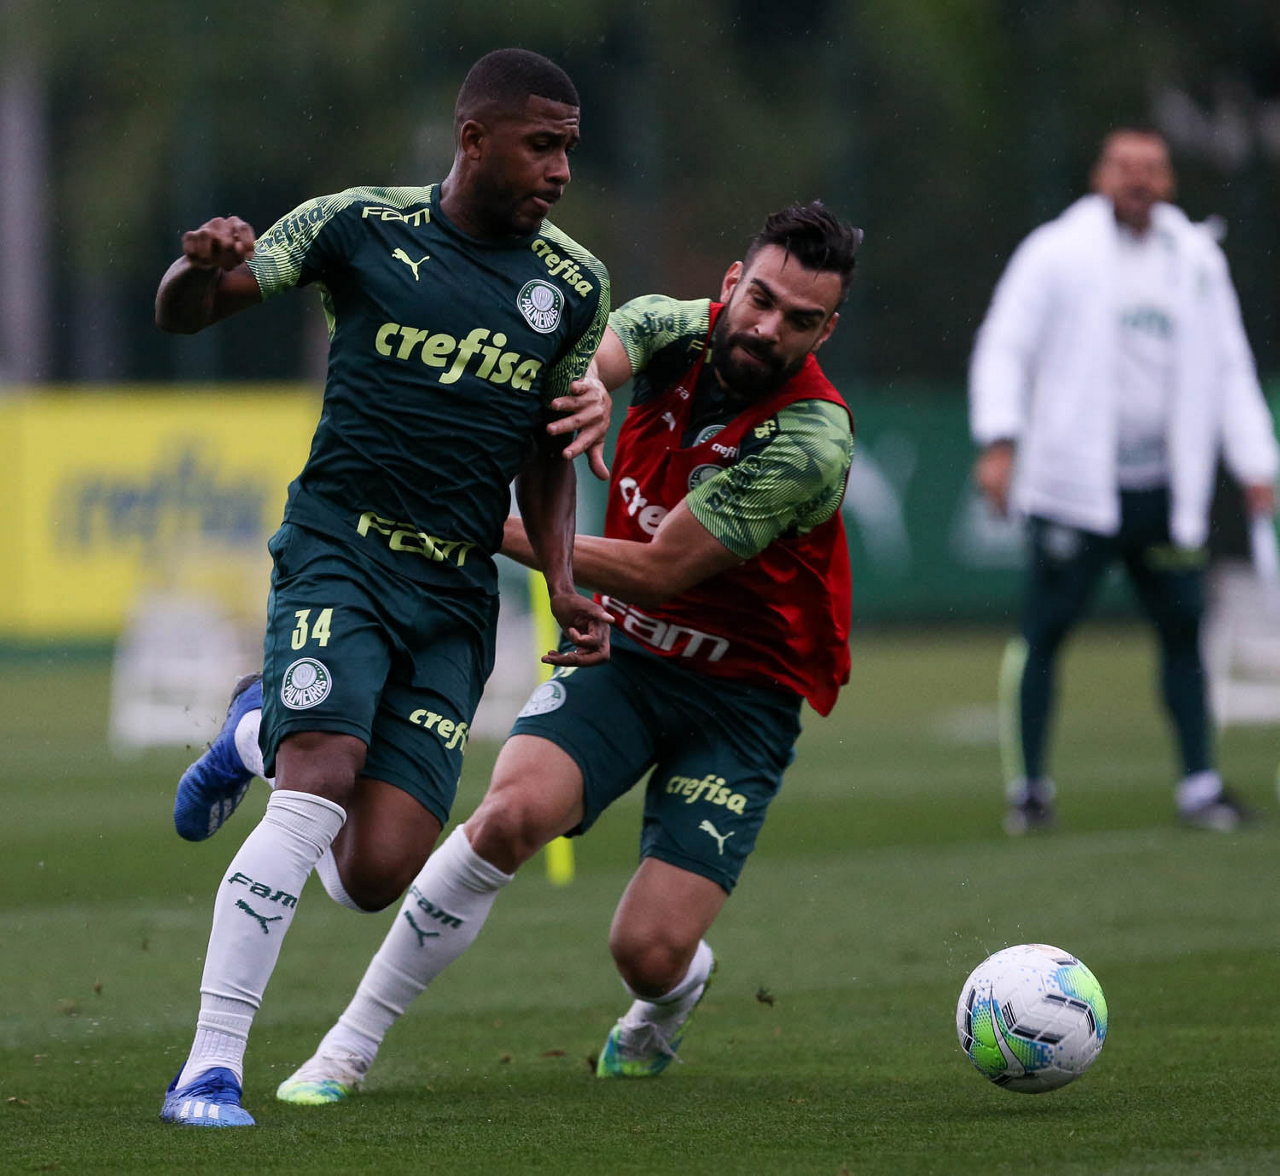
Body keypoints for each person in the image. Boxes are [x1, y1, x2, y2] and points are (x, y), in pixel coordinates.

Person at [177, 202, 862, 1103]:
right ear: (733, 284)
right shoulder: (672, 327)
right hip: (624, 658)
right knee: (505, 817)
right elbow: (582, 358)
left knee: (647, 951)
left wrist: (473, 522)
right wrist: (587, 387)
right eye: (761, 299)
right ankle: (346, 1051)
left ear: (825, 330)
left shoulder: (813, 438)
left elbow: (661, 570)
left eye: (800, 319)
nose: (769, 327)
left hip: (743, 699)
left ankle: (672, 996)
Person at [153, 48, 615, 1127]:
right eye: (541, 146)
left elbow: (548, 451)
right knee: (318, 783)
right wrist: (192, 266)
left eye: (569, 150)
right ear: (473, 140)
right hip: (340, 551)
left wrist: (561, 580)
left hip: (452, 594)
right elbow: (187, 313)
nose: (559, 170)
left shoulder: (574, 286)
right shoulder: (357, 225)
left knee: (375, 871)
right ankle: (209, 1068)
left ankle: (251, 732)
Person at [969, 126, 1278, 836]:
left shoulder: (1195, 258)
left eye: (1152, 168)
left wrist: (1255, 460)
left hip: (1166, 490)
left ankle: (1200, 786)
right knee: (1045, 633)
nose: (1138, 179)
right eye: (1124, 166)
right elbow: (1005, 346)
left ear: (1169, 181)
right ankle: (1030, 790)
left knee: (1184, 632)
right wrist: (999, 440)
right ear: (1100, 175)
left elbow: (1229, 364)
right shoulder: (1055, 251)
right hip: (1073, 489)